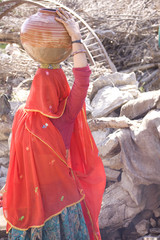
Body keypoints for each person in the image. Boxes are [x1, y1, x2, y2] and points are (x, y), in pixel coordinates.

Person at [0, 8, 106, 240]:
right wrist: (75, 38)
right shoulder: (66, 113)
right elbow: (82, 78)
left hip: (30, 205)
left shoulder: (23, 116)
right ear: (62, 88)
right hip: (64, 201)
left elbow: (15, 167)